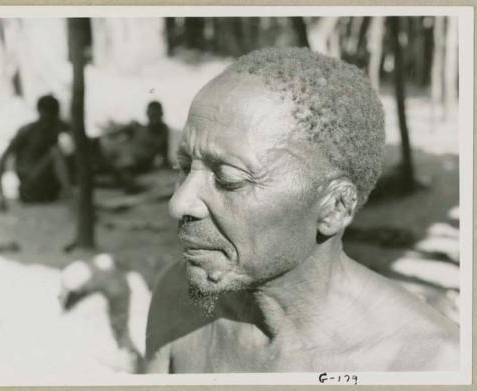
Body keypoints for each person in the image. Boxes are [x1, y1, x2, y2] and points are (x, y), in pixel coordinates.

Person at [143, 48, 459, 373]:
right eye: (183, 167)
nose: (179, 203)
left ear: (335, 207)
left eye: (228, 179)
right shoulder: (179, 297)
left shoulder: (429, 364)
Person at [0, 95, 73, 207]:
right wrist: (0, 195)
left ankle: (69, 192)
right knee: (55, 151)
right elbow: (2, 159)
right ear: (40, 112)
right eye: (46, 116)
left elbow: (80, 137)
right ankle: (70, 196)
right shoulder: (27, 131)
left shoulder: (57, 126)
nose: (48, 122)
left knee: (64, 152)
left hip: (48, 191)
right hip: (29, 187)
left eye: (52, 117)